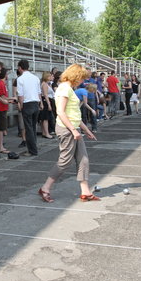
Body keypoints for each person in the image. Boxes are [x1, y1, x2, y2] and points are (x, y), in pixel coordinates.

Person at [38, 64, 99, 203]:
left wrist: (86, 130)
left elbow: (73, 114)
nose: (82, 81)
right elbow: (60, 111)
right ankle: (45, 188)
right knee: (64, 161)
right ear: (75, 76)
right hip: (67, 129)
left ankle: (85, 192)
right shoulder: (65, 88)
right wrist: (73, 130)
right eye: (81, 78)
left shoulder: (68, 88)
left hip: (73, 127)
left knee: (83, 159)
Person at [16, 59, 42, 156]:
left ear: (20, 68)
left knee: (29, 128)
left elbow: (20, 95)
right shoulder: (35, 78)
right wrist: (40, 104)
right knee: (33, 127)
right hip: (36, 103)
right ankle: (34, 146)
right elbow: (39, 92)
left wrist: (21, 105)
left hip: (27, 104)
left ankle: (32, 150)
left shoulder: (20, 79)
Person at [0, 68, 14, 153]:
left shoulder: (2, 83)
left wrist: (10, 100)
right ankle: (0, 146)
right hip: (1, 108)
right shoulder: (1, 84)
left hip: (2, 107)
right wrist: (12, 98)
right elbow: (3, 97)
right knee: (1, 128)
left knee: (0, 127)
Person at [38, 71, 55, 139]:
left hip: (45, 100)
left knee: (44, 118)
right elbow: (45, 95)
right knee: (45, 118)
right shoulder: (44, 84)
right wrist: (49, 104)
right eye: (50, 76)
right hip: (46, 101)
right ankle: (46, 133)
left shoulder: (46, 84)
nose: (51, 77)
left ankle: (44, 132)